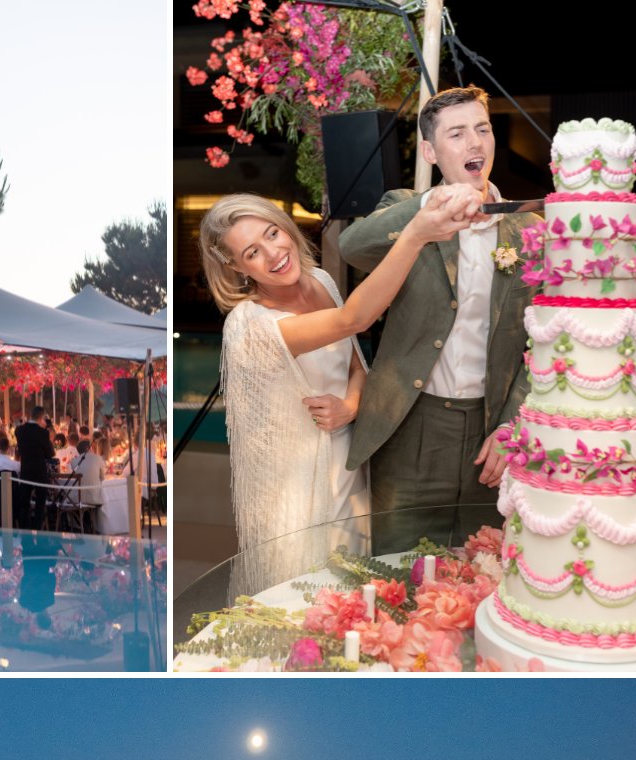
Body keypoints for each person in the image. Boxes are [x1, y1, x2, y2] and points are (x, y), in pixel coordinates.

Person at [199, 184, 478, 559]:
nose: (273, 253)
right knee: (312, 578)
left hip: (350, 460)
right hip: (301, 483)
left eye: (272, 233)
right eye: (252, 252)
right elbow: (354, 320)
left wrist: (350, 406)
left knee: (357, 571)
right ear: (235, 267)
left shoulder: (321, 280)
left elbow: (357, 366)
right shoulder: (253, 327)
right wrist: (414, 235)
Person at [339, 85, 540, 552]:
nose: (474, 142)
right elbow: (352, 248)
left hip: (491, 430)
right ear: (430, 151)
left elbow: (545, 344)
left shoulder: (529, 231)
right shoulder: (406, 209)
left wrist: (513, 426)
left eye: (482, 129)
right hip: (411, 422)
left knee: (484, 563)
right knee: (398, 563)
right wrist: (426, 211)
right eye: (457, 133)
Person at [15, 404, 54, 529]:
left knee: (24, 502)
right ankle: (37, 527)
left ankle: (24, 527)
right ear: (41, 418)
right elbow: (50, 454)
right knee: (40, 502)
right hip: (39, 471)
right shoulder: (43, 433)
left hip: (25, 470)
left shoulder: (19, 430)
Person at [73, 436, 105, 533]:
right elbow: (103, 478)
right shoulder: (98, 458)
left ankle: (82, 524)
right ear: (89, 448)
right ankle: (96, 525)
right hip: (94, 497)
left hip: (78, 498)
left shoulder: (74, 461)